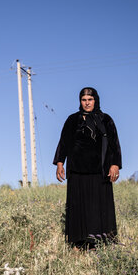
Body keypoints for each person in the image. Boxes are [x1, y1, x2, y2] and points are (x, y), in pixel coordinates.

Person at [53, 87, 122, 250]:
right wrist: (60, 163)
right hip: (77, 171)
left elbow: (114, 144)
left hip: (100, 171)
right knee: (78, 206)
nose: (87, 103)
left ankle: (102, 242)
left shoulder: (106, 120)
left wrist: (115, 164)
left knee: (99, 206)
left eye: (90, 100)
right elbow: (64, 142)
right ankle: (79, 242)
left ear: (95, 100)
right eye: (84, 100)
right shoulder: (72, 120)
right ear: (80, 101)